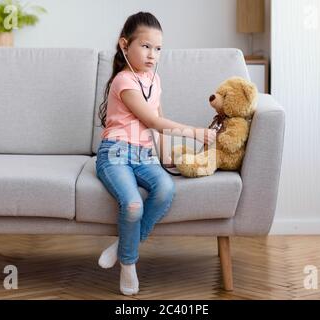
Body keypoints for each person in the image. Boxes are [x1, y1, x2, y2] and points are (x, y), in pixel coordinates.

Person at [96, 11, 217, 296]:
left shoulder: (154, 79)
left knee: (165, 189)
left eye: (158, 48)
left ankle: (124, 244)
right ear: (125, 45)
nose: (153, 54)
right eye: (146, 46)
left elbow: (158, 124)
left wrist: (165, 158)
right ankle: (128, 262)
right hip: (115, 153)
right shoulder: (123, 82)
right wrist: (195, 132)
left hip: (145, 154)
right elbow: (151, 121)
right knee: (134, 204)